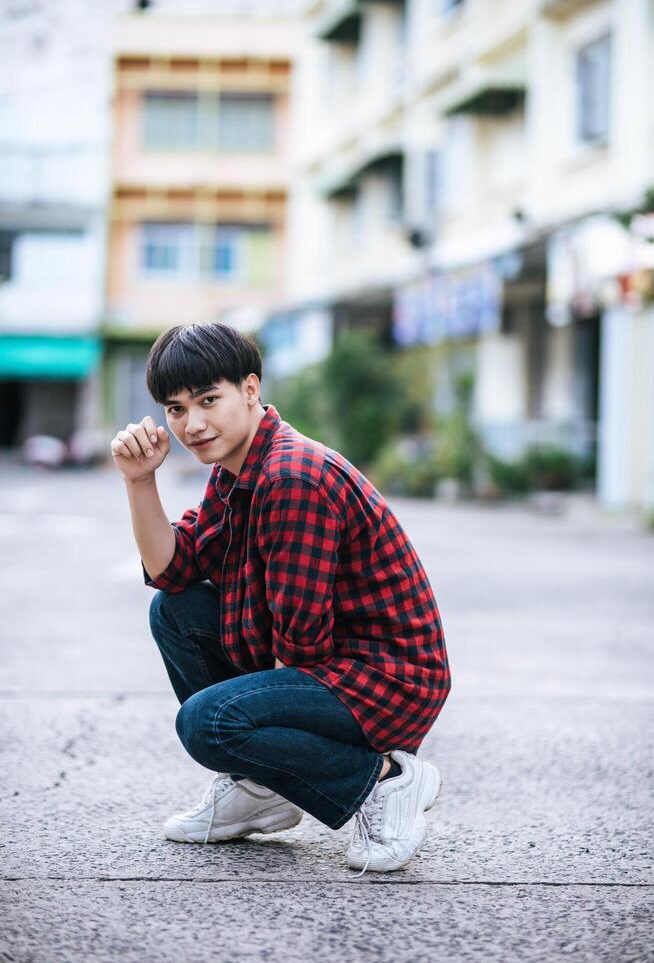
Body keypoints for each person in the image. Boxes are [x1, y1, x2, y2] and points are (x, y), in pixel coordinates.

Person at [111, 322, 451, 874]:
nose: (192, 424)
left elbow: (302, 641)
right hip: (336, 667)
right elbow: (173, 570)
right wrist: (138, 481)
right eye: (175, 409)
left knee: (210, 724)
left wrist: (248, 729)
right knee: (175, 613)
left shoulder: (292, 477)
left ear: (250, 388)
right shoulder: (236, 469)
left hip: (386, 678)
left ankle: (385, 782)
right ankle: (259, 789)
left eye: (208, 399)